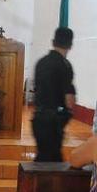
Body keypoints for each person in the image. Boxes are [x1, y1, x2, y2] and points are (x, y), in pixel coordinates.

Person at [32, 27, 76, 162]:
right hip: (54, 121)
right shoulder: (65, 66)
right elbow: (69, 100)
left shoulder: (41, 62)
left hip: (38, 118)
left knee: (43, 156)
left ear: (53, 41)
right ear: (70, 45)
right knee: (53, 161)